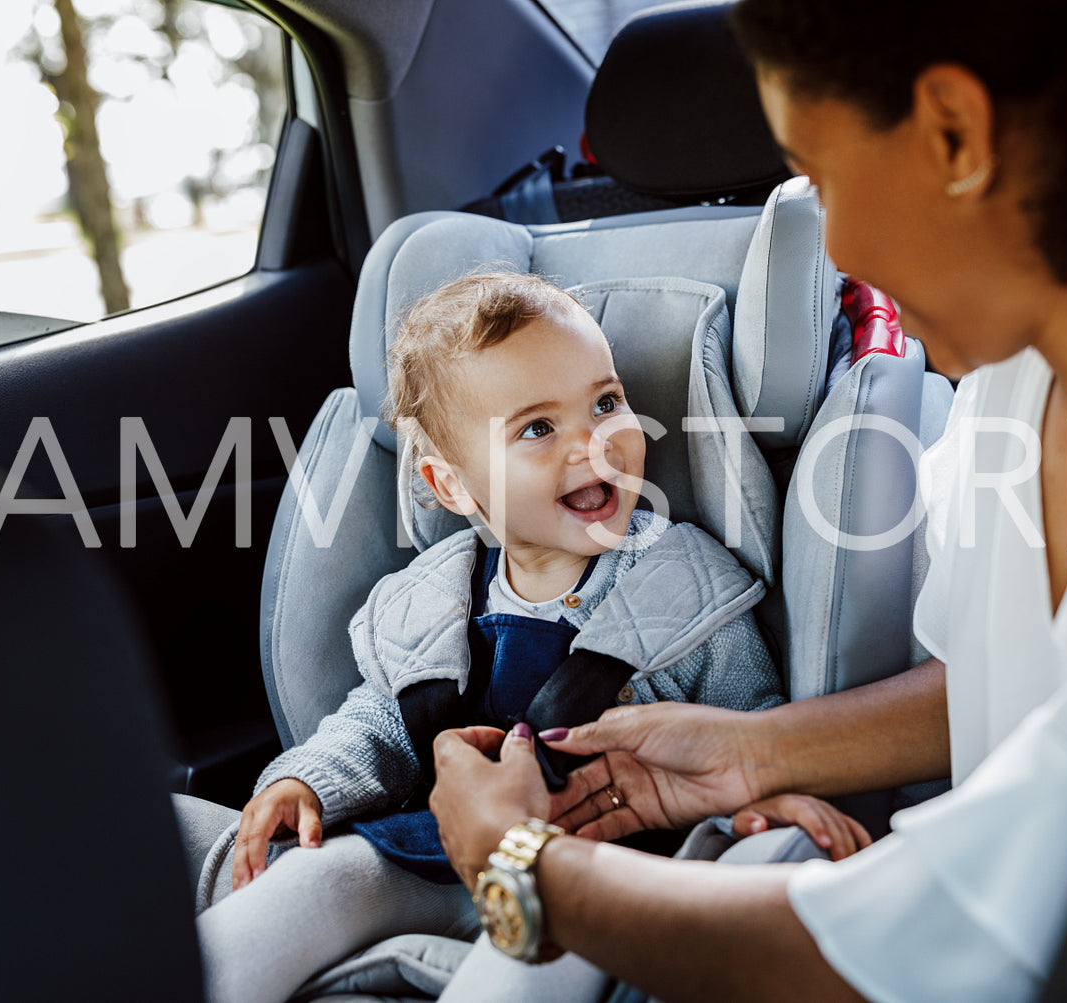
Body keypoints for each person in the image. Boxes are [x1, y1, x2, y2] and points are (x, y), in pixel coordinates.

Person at [427, 1, 1067, 1001]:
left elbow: (924, 949)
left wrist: (519, 865)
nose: (834, 243)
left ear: (952, 133)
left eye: (814, 174)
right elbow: (1006, 686)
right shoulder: (1010, 384)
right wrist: (749, 751)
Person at [188, 271, 865, 1003]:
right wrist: (305, 778)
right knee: (310, 881)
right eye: (537, 428)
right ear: (452, 486)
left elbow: (746, 728)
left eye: (606, 402)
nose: (592, 442)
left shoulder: (685, 590)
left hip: (604, 864)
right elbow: (379, 723)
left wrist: (768, 799)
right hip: (439, 846)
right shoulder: (431, 600)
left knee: (539, 945)